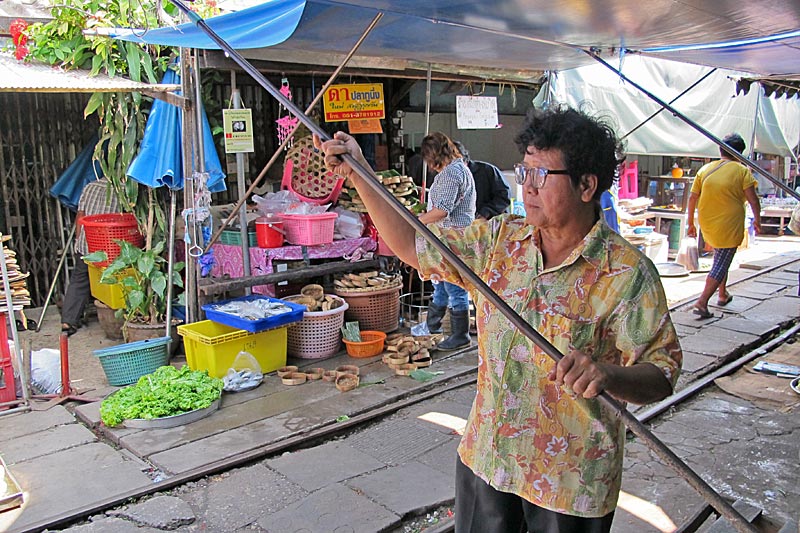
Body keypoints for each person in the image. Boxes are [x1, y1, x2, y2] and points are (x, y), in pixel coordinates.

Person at [315, 104, 681, 533]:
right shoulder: (500, 240)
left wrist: (608, 374)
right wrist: (360, 173)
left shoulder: (626, 272)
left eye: (542, 175)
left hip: (571, 479)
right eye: (523, 172)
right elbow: (412, 245)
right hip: (489, 458)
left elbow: (662, 373)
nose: (527, 188)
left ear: (586, 185)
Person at [687, 133, 762, 318]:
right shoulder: (742, 171)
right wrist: (758, 220)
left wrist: (690, 222)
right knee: (722, 262)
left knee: (720, 257)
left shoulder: (705, 170)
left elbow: (692, 197)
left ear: (720, 149)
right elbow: (753, 200)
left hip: (708, 223)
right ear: (740, 152)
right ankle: (702, 302)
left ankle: (722, 294)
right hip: (729, 223)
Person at [415, 132, 476, 351]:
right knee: (441, 283)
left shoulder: (452, 174)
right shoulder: (459, 170)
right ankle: (432, 326)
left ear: (434, 157)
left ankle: (461, 335)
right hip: (447, 238)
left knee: (455, 287)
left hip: (452, 239)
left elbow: (442, 211)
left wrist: (417, 220)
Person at [61, 177, 119, 336]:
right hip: (111, 246)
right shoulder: (122, 189)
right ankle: (115, 321)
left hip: (88, 243)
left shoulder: (89, 187)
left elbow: (81, 215)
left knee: (79, 281)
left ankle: (68, 321)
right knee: (113, 283)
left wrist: (79, 240)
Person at [452, 140, 510, 220]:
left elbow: (504, 197)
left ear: (464, 160)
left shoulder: (488, 170)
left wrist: (486, 212)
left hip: (492, 223)